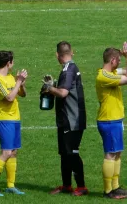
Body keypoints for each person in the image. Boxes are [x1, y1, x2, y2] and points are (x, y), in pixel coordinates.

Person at [42, 41, 87, 196]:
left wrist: (48, 88)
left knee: (72, 152)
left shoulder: (68, 70)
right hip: (66, 118)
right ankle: (67, 185)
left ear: (57, 55)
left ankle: (81, 187)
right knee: (64, 153)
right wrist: (53, 85)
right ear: (71, 52)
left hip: (72, 119)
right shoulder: (69, 69)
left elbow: (63, 93)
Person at [0, 51, 27, 196]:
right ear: (8, 63)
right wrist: (19, 81)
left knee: (13, 152)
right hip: (4, 118)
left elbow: (22, 94)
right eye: (12, 62)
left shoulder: (10, 77)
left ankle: (10, 185)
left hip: (15, 118)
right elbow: (9, 98)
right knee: (6, 152)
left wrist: (21, 83)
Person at [94, 44, 127, 199]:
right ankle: (108, 191)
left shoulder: (111, 72)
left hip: (115, 119)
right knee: (110, 154)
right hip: (109, 120)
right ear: (113, 60)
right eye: (119, 60)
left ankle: (116, 186)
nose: (120, 63)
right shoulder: (104, 76)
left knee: (117, 153)